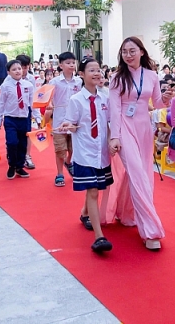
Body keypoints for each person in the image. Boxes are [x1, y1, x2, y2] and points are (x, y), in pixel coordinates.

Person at [103, 37, 173, 251]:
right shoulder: (116, 78)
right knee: (137, 174)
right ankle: (151, 230)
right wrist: (114, 136)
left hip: (144, 129)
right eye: (124, 51)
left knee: (141, 173)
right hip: (124, 127)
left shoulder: (152, 75)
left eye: (132, 50)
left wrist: (167, 99)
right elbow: (114, 109)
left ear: (142, 52)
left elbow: (157, 102)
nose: (128, 55)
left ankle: (126, 213)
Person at [59, 58, 113, 253]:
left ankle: (84, 213)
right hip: (85, 153)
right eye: (91, 70)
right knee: (93, 191)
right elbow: (70, 122)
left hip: (102, 153)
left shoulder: (106, 98)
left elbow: (109, 123)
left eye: (98, 70)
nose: (97, 73)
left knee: (98, 187)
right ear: (81, 74)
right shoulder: (76, 100)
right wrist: (69, 126)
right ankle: (99, 237)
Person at [47, 52, 83, 186]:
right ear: (61, 65)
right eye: (68, 63)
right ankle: (60, 174)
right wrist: (49, 104)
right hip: (59, 121)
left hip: (74, 121)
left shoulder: (79, 81)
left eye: (73, 62)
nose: (71, 65)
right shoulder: (54, 82)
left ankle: (69, 162)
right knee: (60, 150)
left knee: (73, 149)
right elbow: (47, 97)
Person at [0, 60, 34, 179]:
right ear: (8, 72)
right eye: (14, 69)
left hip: (24, 117)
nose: (17, 71)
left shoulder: (28, 85)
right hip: (10, 118)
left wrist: (37, 117)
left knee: (23, 143)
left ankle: (19, 166)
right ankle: (12, 165)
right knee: (12, 142)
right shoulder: (6, 86)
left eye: (19, 68)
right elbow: (1, 103)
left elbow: (32, 103)